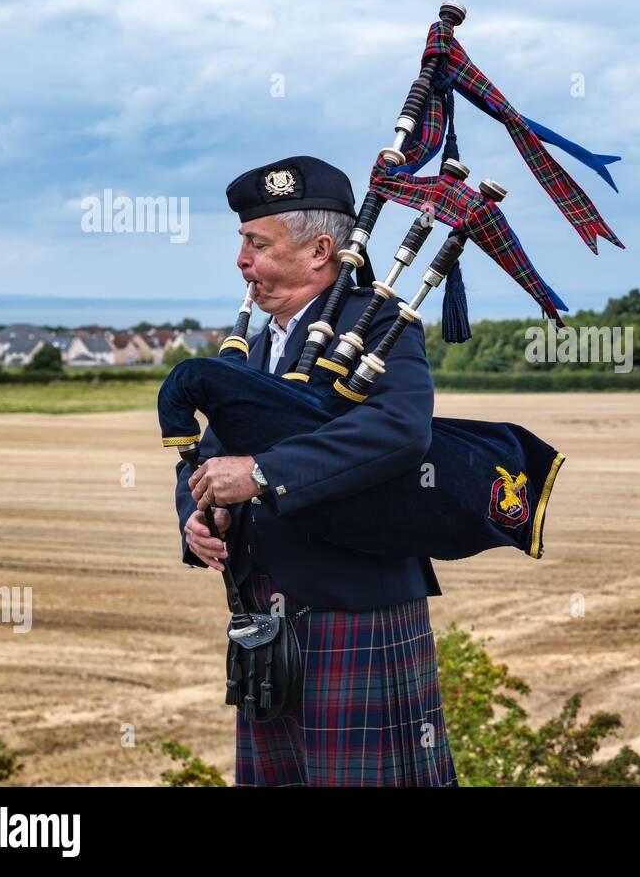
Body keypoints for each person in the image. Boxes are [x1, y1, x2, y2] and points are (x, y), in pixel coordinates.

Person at [173, 154, 458, 786]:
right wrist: (195, 515)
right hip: (263, 623)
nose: (242, 261)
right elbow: (209, 452)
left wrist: (264, 472)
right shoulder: (251, 344)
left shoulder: (380, 323)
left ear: (320, 250)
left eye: (257, 244)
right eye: (243, 243)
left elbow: (396, 431)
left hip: (355, 610)